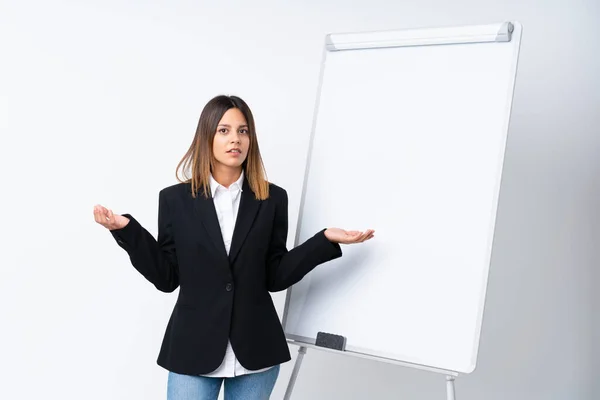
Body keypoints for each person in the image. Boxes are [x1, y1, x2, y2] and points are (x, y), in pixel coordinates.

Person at [93, 95, 374, 400]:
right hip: (193, 349)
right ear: (207, 136)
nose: (235, 140)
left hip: (256, 349)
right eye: (224, 130)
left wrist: (324, 242)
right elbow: (167, 278)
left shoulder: (272, 199)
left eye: (243, 131)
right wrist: (128, 232)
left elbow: (275, 276)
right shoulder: (175, 200)